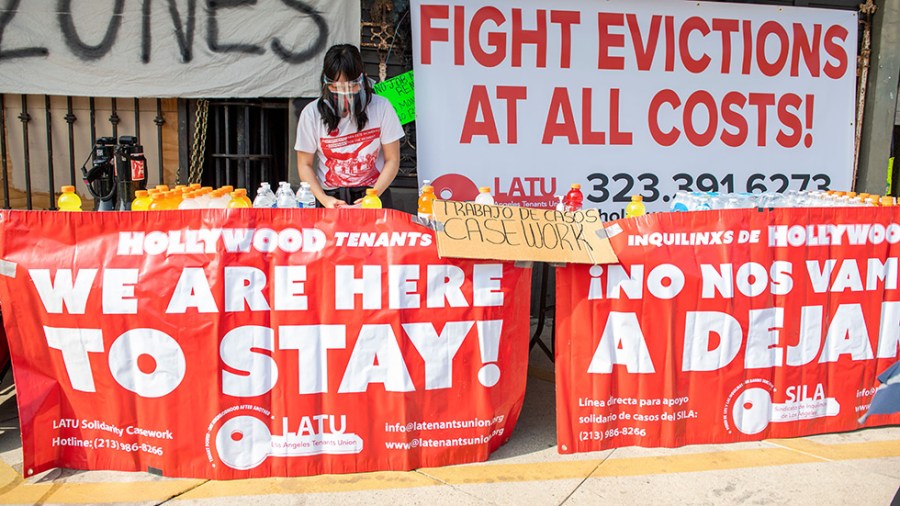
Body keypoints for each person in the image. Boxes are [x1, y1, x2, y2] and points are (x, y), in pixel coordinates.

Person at [295, 44, 404, 208]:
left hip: (373, 193)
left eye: (351, 87)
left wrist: (373, 196)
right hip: (331, 196)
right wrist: (324, 199)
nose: (344, 94)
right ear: (326, 83)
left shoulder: (382, 107)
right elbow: (304, 164)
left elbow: (393, 159)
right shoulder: (311, 113)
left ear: (363, 79)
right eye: (336, 87)